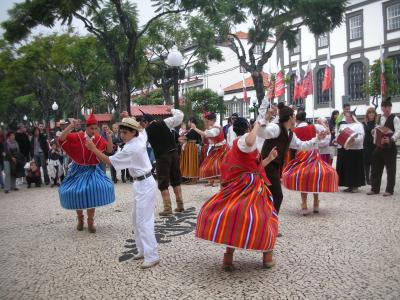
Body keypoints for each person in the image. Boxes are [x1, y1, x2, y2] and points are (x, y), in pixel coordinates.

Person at [196, 117, 279, 271]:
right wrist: (256, 125)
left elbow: (255, 167)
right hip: (250, 186)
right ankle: (267, 256)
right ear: (247, 128)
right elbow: (249, 142)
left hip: (241, 184)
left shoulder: (236, 145)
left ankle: (228, 258)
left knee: (233, 216)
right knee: (265, 215)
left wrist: (268, 158)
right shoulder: (244, 141)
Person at [86, 116, 159, 269]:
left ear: (133, 133)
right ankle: (142, 250)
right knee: (136, 218)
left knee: (144, 221)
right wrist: (137, 123)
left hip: (145, 183)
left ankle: (152, 255)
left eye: (125, 132)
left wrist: (93, 149)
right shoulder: (139, 137)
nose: (122, 135)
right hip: (140, 183)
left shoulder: (132, 148)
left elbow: (109, 160)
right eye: (121, 132)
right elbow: (143, 129)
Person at [257, 105, 327, 214]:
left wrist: (317, 138)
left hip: (274, 167)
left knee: (269, 196)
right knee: (277, 196)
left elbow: (302, 145)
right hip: (267, 166)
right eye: (294, 116)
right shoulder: (276, 128)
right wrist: (265, 119)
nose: (295, 118)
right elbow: (261, 133)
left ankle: (267, 225)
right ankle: (269, 225)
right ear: (290, 117)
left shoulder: (290, 133)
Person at [58, 114, 115, 233]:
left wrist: (109, 137)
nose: (94, 131)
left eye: (96, 128)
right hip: (77, 169)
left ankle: (90, 220)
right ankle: (80, 219)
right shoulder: (77, 136)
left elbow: (109, 150)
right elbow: (61, 139)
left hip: (92, 169)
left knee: (92, 190)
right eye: (91, 128)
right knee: (76, 192)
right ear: (86, 128)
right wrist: (70, 127)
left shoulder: (99, 138)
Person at [282, 112, 338, 215]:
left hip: (302, 155)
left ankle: (304, 205)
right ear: (305, 118)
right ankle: (316, 203)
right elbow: (328, 132)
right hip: (313, 154)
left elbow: (291, 145)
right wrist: (323, 123)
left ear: (297, 120)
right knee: (315, 176)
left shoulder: (294, 130)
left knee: (303, 178)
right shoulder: (314, 126)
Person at [139, 108, 185, 216]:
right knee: (176, 179)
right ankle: (180, 205)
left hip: (162, 157)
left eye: (143, 123)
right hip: (174, 154)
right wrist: (172, 110)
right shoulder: (165, 122)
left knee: (163, 182)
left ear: (145, 122)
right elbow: (180, 117)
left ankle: (167, 208)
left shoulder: (146, 131)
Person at [367, 98, 400, 196]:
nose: (386, 109)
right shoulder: (380, 118)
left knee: (390, 170)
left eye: (388, 107)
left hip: (390, 147)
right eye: (384, 107)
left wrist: (391, 139)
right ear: (382, 108)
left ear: (390, 108)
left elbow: (398, 131)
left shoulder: (395, 118)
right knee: (375, 167)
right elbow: (377, 129)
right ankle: (374, 188)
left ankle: (389, 190)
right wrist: (374, 132)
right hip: (379, 146)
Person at [191, 112, 227, 187]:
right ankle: (221, 186)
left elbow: (205, 134)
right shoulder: (214, 126)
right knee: (215, 167)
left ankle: (222, 186)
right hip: (218, 149)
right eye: (205, 121)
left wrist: (195, 128)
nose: (206, 123)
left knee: (219, 167)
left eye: (207, 121)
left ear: (213, 120)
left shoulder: (216, 129)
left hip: (221, 149)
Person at [336, 111, 365, 193]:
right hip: (345, 150)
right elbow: (339, 135)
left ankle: (355, 185)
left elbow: (361, 136)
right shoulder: (343, 125)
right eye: (346, 116)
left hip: (355, 151)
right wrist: (336, 140)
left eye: (348, 116)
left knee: (354, 168)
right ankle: (348, 184)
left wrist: (353, 140)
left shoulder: (358, 125)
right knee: (347, 168)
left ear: (352, 117)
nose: (346, 117)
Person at [180, 117, 202, 184]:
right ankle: (190, 178)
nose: (188, 123)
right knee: (190, 162)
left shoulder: (193, 130)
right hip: (190, 146)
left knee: (191, 162)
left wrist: (182, 136)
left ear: (191, 122)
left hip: (191, 146)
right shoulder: (192, 130)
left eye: (189, 121)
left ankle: (193, 179)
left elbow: (185, 137)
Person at [363, 107, 377, 185]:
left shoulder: (376, 123)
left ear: (375, 114)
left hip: (374, 144)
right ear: (367, 114)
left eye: (372, 112)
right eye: (370, 112)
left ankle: (372, 178)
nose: (371, 114)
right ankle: (367, 179)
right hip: (366, 145)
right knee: (366, 163)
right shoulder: (364, 123)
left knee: (374, 162)